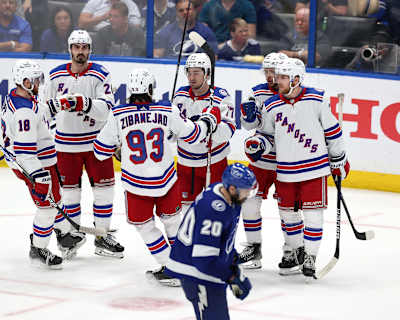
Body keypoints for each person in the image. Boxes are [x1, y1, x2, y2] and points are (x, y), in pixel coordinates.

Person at [93, 68, 221, 286]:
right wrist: (209, 119)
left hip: (136, 184)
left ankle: (169, 266)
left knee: (145, 226)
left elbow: (100, 151)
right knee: (173, 222)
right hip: (166, 180)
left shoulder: (117, 113)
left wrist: (118, 149)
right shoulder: (166, 108)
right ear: (150, 88)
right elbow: (193, 135)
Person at [244, 58, 350, 278]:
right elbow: (267, 135)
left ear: (296, 78)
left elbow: (333, 131)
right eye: (278, 76)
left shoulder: (317, 98)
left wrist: (338, 156)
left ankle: (311, 256)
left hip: (315, 169)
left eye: (283, 77)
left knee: (313, 216)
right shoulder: (272, 104)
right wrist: (259, 145)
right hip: (285, 171)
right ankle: (298, 250)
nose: (277, 80)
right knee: (288, 216)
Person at [44, 29, 124, 259]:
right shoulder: (55, 75)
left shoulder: (100, 74)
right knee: (69, 195)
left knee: (105, 192)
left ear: (90, 49)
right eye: (76, 47)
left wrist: (82, 102)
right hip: (65, 146)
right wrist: (53, 128)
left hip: (97, 144)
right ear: (70, 49)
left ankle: (102, 237)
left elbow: (106, 110)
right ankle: (72, 236)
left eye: (84, 47)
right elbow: (44, 112)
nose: (81, 51)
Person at [0, 59, 85, 268]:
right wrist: (39, 175)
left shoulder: (23, 98)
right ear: (25, 81)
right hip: (34, 165)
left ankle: (64, 234)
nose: (39, 83)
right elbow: (24, 151)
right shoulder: (23, 112)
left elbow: (38, 113)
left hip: (41, 160)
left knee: (56, 197)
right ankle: (38, 248)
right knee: (47, 207)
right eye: (35, 80)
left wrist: (58, 104)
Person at [165, 163, 257, 320]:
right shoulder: (214, 209)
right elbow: (204, 259)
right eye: (245, 191)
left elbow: (222, 240)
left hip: (207, 269)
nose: (248, 195)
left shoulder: (225, 194)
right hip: (195, 272)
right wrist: (230, 277)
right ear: (232, 189)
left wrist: (233, 265)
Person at [236, 52, 290, 270]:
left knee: (289, 210)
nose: (269, 76)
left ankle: (292, 251)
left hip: (287, 162)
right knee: (249, 203)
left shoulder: (293, 94)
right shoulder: (258, 92)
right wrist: (248, 118)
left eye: (273, 71)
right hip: (261, 160)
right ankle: (253, 248)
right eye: (266, 71)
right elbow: (249, 126)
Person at [172, 53, 237, 217]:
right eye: (189, 72)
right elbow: (172, 134)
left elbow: (228, 132)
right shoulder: (179, 96)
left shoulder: (221, 97)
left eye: (196, 73)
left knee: (217, 208)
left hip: (214, 163)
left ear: (207, 74)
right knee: (184, 210)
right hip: (186, 164)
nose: (191, 77)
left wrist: (213, 123)